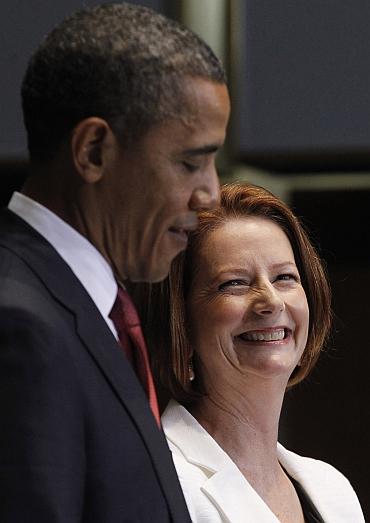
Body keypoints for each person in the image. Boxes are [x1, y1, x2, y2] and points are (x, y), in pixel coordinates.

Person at [0, 3, 230, 522]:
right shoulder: (21, 328)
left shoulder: (87, 310)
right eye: (191, 162)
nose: (211, 194)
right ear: (95, 151)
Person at [133, 183, 365, 522]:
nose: (270, 301)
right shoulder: (155, 482)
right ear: (181, 320)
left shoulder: (333, 489)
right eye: (234, 283)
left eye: (284, 277)